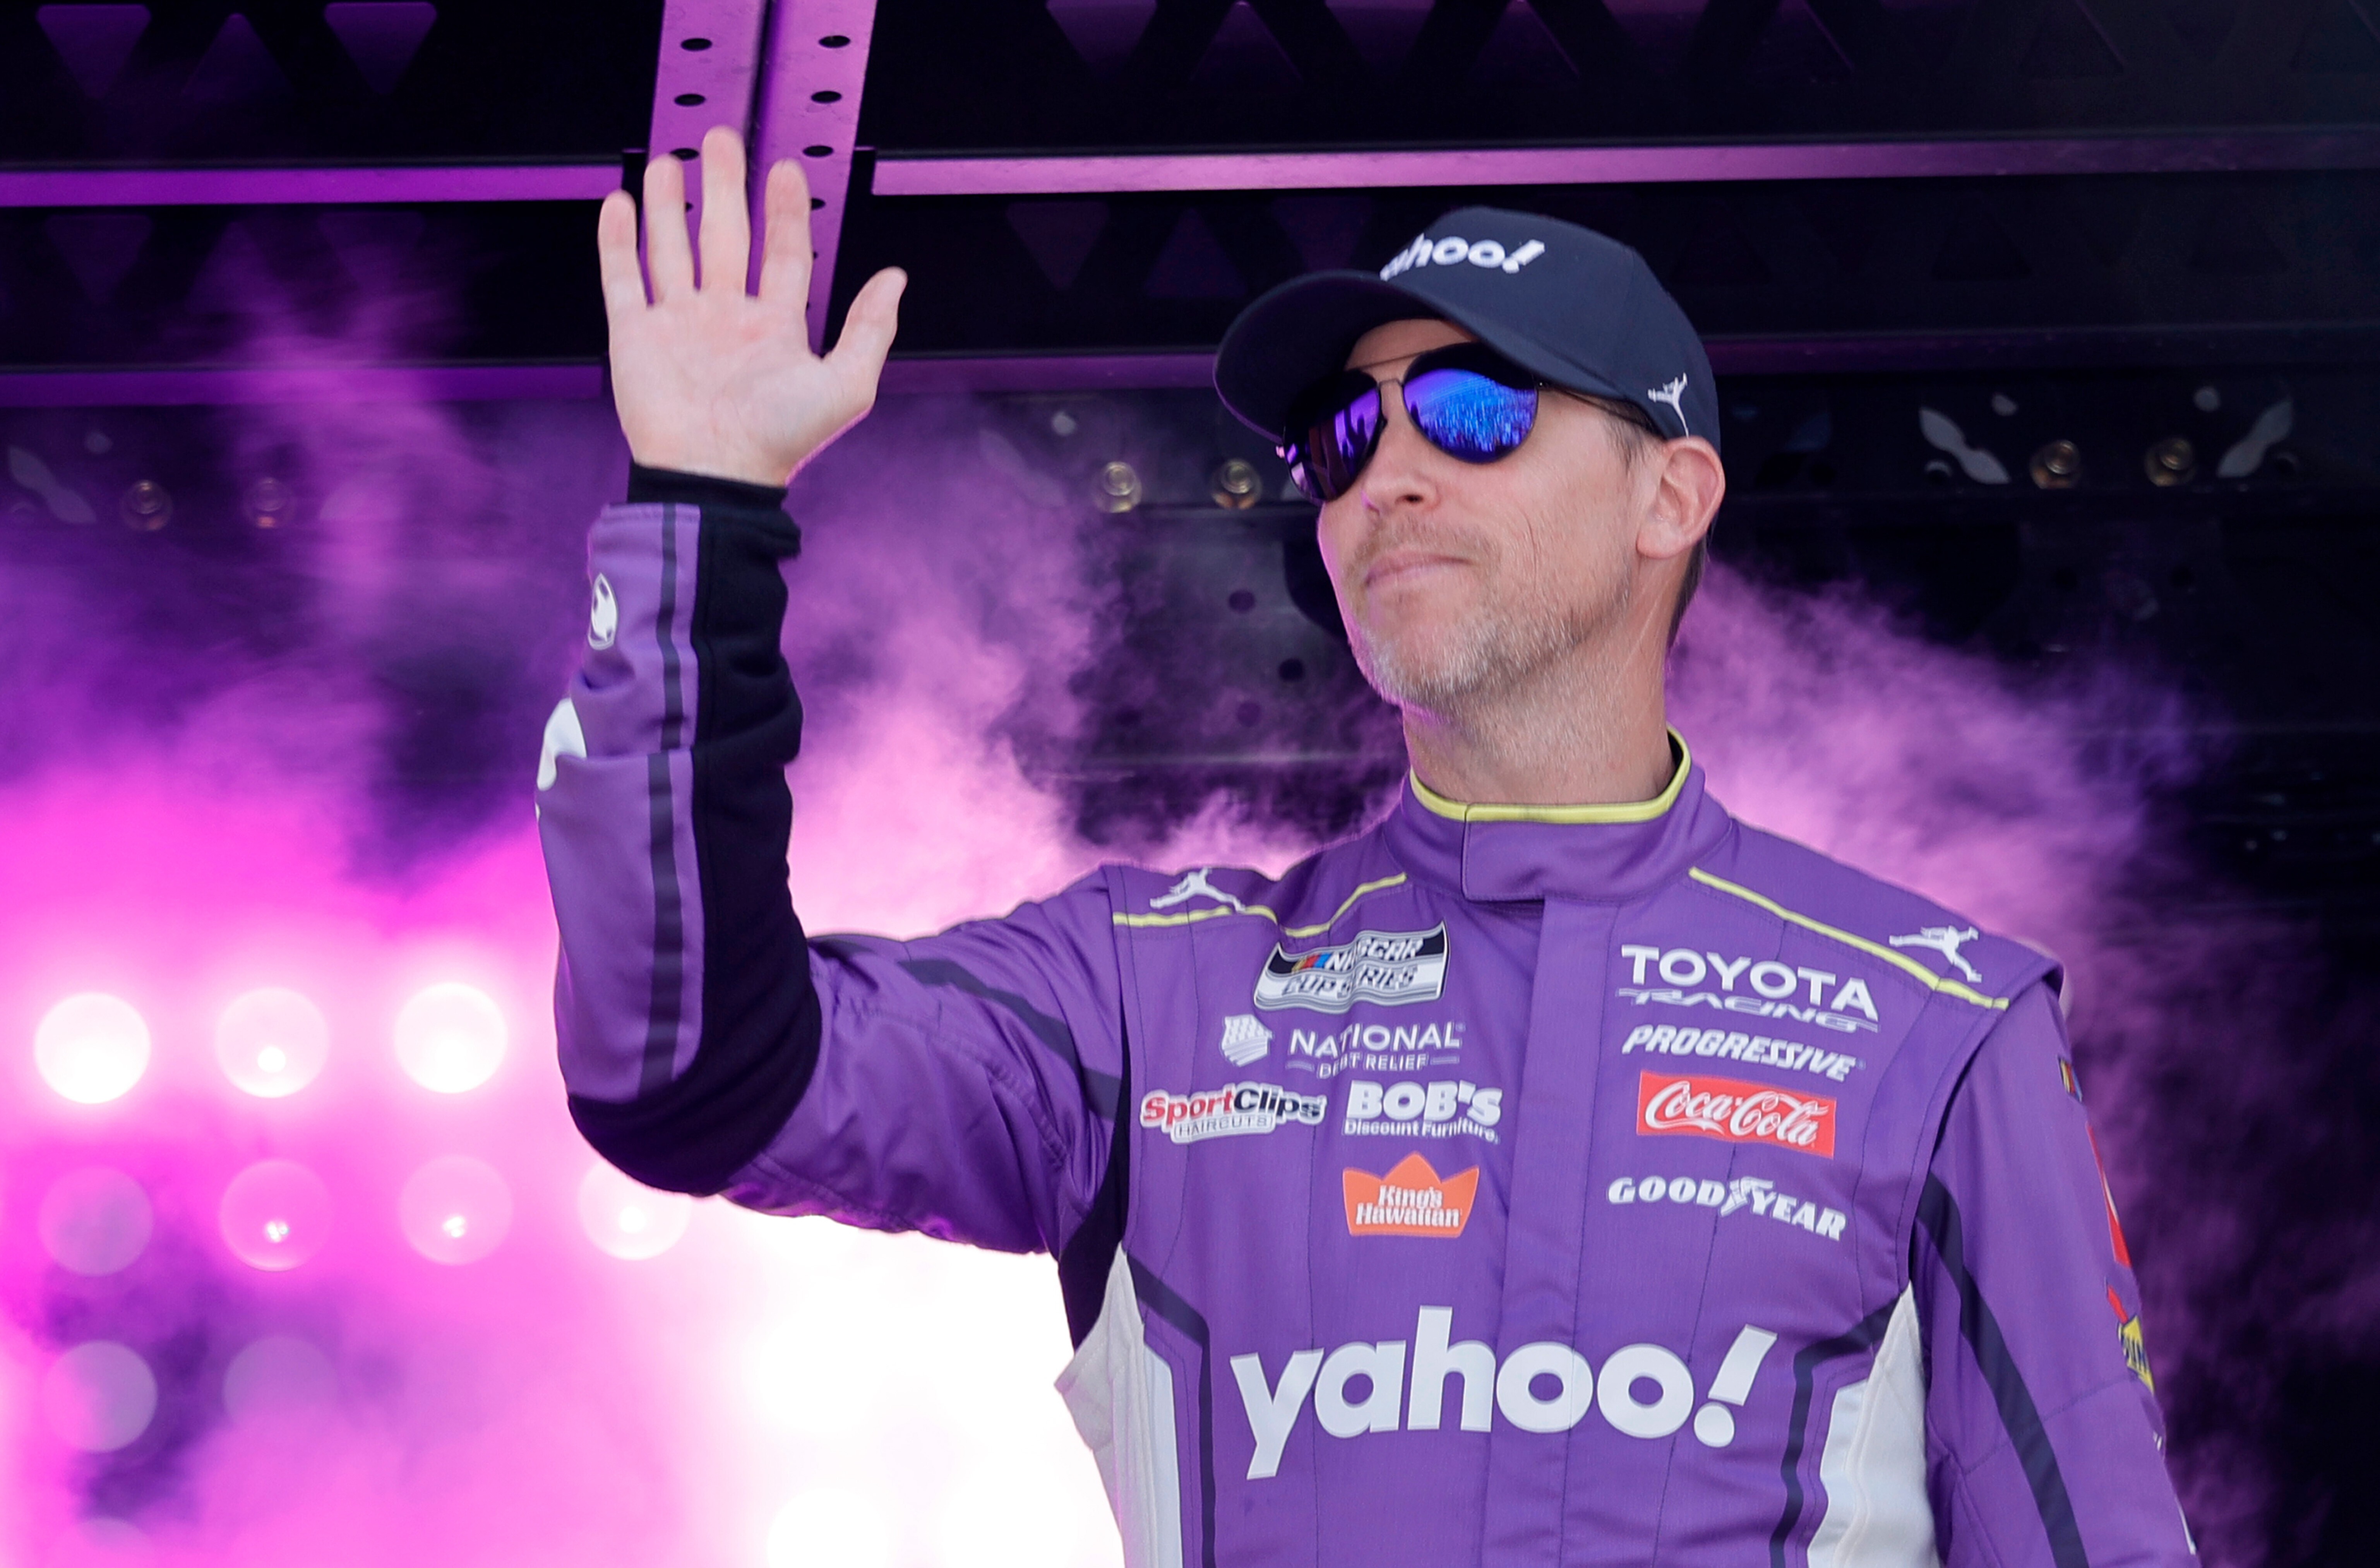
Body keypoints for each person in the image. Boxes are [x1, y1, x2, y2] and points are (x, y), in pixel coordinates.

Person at [538, 126, 2193, 1568]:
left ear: (1668, 495)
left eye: (1471, 410)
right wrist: (702, 506)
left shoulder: (1933, 1020)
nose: (1383, 470)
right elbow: (688, 1072)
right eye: (1340, 436)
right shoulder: (1150, 991)